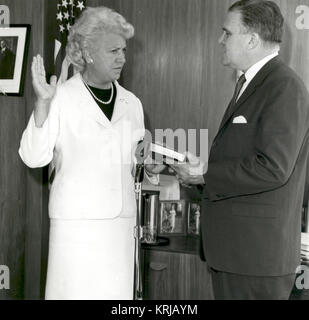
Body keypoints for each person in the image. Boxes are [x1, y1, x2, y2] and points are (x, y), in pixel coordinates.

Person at [19, 6, 163, 300]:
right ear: (86, 53)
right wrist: (43, 104)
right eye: (113, 50)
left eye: (123, 49)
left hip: (120, 233)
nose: (122, 57)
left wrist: (150, 167)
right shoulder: (59, 96)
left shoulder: (132, 103)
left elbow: (136, 161)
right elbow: (34, 157)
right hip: (76, 234)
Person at [171, 0, 309, 300]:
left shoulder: (284, 86)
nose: (220, 40)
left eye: (226, 33)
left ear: (251, 39)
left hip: (255, 259)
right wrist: (198, 175)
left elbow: (273, 167)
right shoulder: (252, 83)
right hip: (238, 256)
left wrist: (205, 173)